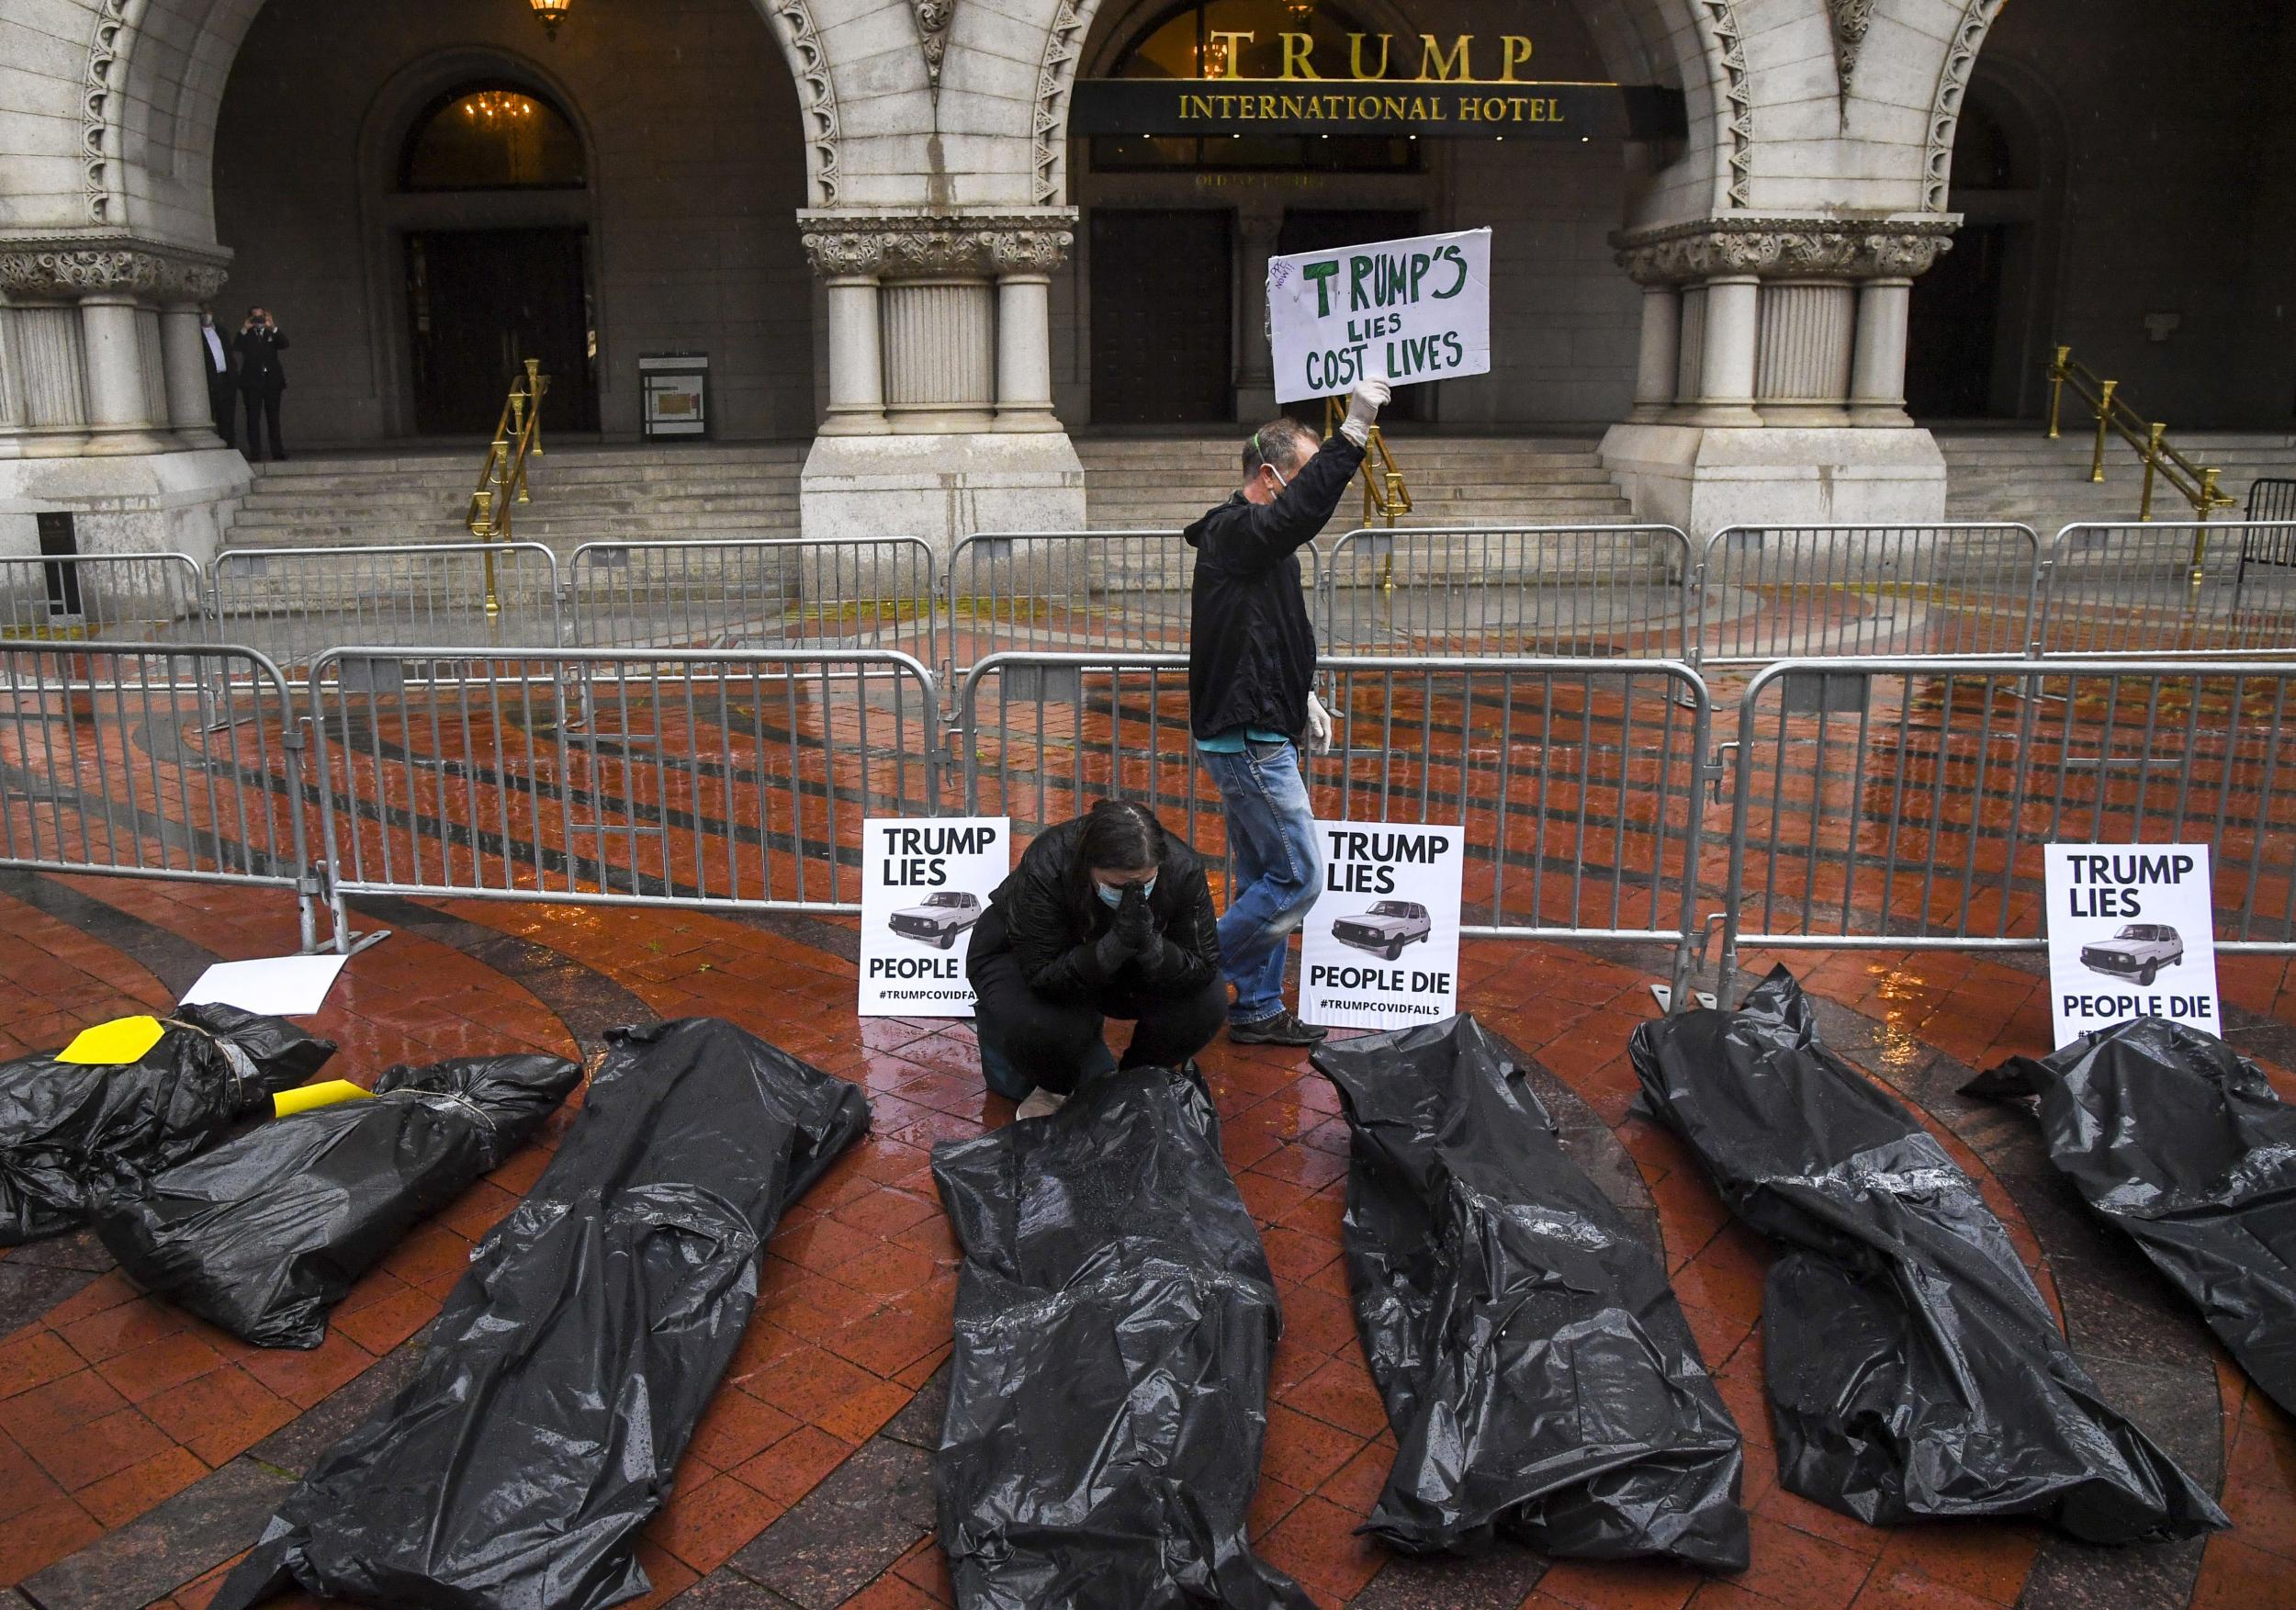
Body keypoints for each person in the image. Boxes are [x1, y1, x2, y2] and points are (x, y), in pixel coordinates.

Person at [1186, 376, 1390, 1046]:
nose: (1307, 497)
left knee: (1262, 874)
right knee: (1299, 876)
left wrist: (1300, 692)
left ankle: (1258, 1006)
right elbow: (1298, 515)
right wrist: (1352, 433)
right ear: (1271, 478)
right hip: (1248, 739)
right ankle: (1187, 976)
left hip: (1260, 724)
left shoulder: (1256, 546)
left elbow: (1266, 631)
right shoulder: (1235, 531)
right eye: (1301, 480)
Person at [968, 798, 1226, 1118]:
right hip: (1025, 955)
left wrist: (1152, 947)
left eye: (1145, 884)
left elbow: (1202, 965)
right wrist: (1111, 948)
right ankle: (1052, 1085)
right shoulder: (1048, 860)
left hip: (1127, 963)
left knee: (1207, 1002)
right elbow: (1042, 974)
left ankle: (1139, 1077)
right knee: (1044, 1025)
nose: (1133, 893)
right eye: (1117, 886)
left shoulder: (1183, 866)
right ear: (1088, 867)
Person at [233, 305, 289, 462]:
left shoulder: (271, 333)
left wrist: (273, 326)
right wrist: (245, 328)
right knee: (253, 418)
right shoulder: (247, 335)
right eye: (255, 317)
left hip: (272, 381)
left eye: (261, 317)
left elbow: (285, 344)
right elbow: (236, 346)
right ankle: (255, 452)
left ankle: (277, 451)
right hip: (252, 382)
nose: (258, 320)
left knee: (273, 418)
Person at [198, 308, 235, 450]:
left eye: (208, 312)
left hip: (225, 378)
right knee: (211, 414)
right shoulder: (196, 332)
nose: (206, 316)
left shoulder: (221, 331)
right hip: (209, 380)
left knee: (227, 416)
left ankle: (230, 446)